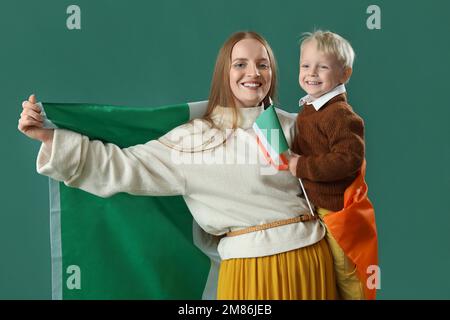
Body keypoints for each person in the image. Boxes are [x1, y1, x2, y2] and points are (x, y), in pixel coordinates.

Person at [18, 31, 337, 300]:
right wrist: (49, 137)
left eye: (262, 64)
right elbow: (123, 167)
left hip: (311, 261)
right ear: (224, 74)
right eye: (240, 64)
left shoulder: (297, 125)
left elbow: (338, 181)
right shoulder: (195, 138)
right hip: (247, 272)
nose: (252, 73)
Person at [288, 30, 367, 299]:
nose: (312, 73)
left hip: (336, 210)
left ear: (344, 75)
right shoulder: (310, 109)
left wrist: (301, 166)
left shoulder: (340, 114)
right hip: (315, 205)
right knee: (323, 272)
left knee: (345, 271)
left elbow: (348, 159)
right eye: (305, 66)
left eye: (322, 67)